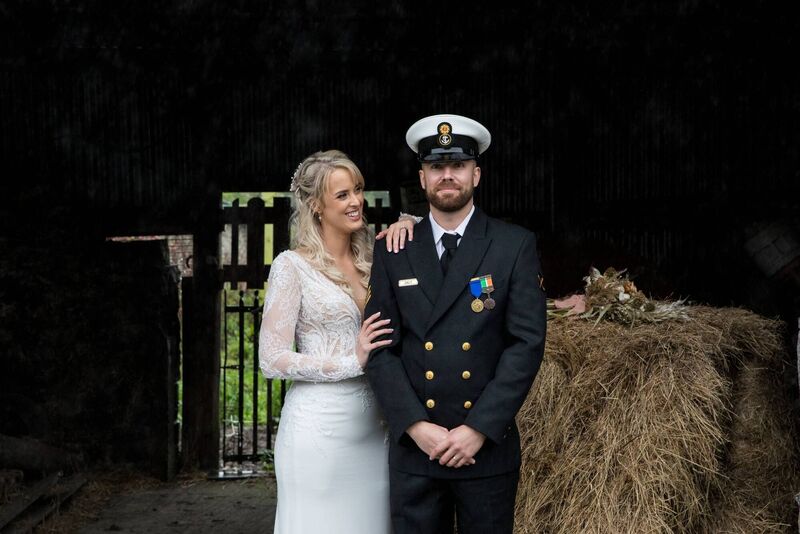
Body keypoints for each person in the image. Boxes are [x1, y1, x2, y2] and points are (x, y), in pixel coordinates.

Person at [364, 114, 547, 534]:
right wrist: (415, 426)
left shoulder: (512, 245)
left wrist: (478, 428)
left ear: (476, 174)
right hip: (417, 451)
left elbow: (526, 344)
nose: (447, 175)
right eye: (436, 166)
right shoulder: (394, 250)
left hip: (484, 449)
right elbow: (380, 347)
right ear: (422, 178)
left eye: (458, 165)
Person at [258, 149, 414, 534]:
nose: (356, 201)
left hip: (375, 431)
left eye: (358, 190)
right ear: (316, 205)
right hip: (319, 433)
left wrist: (410, 223)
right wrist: (351, 361)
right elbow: (271, 358)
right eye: (342, 195)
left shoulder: (375, 259)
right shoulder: (291, 266)